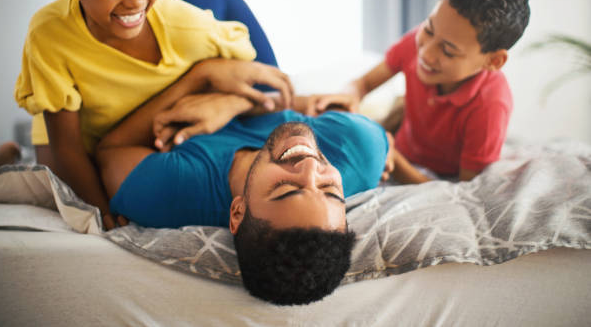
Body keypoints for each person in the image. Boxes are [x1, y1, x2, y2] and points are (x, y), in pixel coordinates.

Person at [11, 0, 293, 229]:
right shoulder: (48, 33)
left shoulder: (186, 26)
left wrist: (226, 96)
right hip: (84, 128)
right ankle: (3, 157)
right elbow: (67, 147)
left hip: (137, 129)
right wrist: (104, 213)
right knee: (51, 175)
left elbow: (269, 82)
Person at [93, 70, 392, 305]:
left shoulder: (172, 193)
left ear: (237, 212)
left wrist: (204, 75)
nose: (312, 165)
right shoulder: (358, 150)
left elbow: (111, 149)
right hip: (263, 87)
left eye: (287, 189)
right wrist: (236, 102)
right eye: (330, 191)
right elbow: (310, 103)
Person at [306, 0, 531, 184]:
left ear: (493, 61)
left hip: (431, 176)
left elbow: (465, 188)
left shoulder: (491, 104)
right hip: (398, 146)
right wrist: (349, 96)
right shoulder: (417, 42)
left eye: (448, 50)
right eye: (429, 30)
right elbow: (362, 84)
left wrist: (391, 157)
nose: (426, 53)